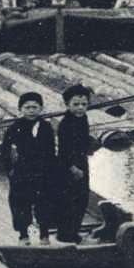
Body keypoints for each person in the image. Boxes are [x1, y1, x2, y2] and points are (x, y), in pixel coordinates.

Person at [0, 92, 55, 244]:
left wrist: (51, 170)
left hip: (41, 172)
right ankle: (23, 235)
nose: (31, 110)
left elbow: (51, 151)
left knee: (43, 203)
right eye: (27, 107)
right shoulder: (14, 128)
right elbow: (5, 150)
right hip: (21, 172)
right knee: (20, 204)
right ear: (20, 109)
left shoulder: (45, 127)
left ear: (41, 109)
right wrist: (9, 170)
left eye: (35, 107)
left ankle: (44, 235)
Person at [51, 84, 95, 244]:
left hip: (81, 162)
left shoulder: (83, 119)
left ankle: (74, 232)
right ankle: (65, 235)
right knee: (69, 201)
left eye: (84, 104)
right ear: (67, 105)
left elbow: (83, 140)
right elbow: (64, 151)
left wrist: (89, 147)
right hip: (68, 166)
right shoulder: (65, 125)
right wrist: (73, 168)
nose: (80, 108)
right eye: (75, 104)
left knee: (82, 199)